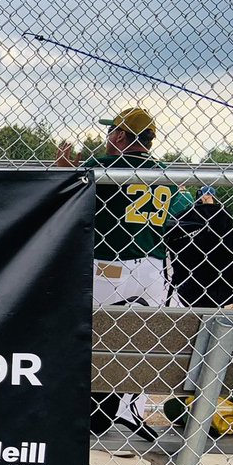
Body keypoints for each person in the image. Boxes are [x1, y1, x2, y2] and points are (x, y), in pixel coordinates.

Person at [55, 107, 175, 441]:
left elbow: (68, 199)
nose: (109, 137)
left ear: (121, 136)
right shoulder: (164, 172)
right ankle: (129, 409)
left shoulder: (103, 166)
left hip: (108, 266)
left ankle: (85, 407)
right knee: (141, 341)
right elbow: (180, 211)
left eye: (112, 132)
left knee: (90, 334)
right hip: (153, 267)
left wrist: (66, 170)